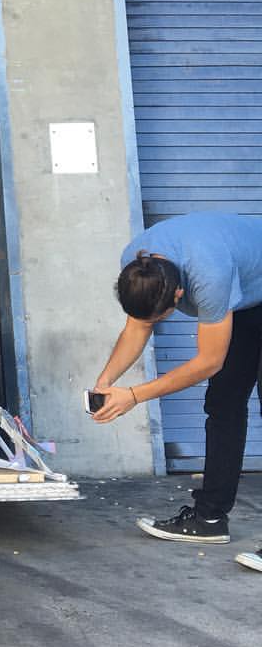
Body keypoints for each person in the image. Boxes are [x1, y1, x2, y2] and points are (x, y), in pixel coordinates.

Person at [92, 212, 262, 565]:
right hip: (247, 296)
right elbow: (137, 327)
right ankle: (209, 519)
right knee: (224, 404)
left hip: (242, 282)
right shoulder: (138, 265)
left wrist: (134, 396)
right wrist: (105, 382)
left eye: (160, 317)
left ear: (180, 294)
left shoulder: (208, 275)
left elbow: (209, 361)